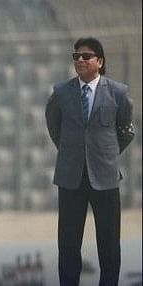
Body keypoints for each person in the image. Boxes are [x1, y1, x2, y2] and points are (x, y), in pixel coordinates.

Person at [45, 37, 134, 286]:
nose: (80, 60)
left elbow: (126, 131)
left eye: (86, 56)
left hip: (105, 178)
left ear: (100, 61)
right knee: (69, 244)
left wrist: (105, 154)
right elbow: (54, 127)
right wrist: (73, 151)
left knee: (109, 244)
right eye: (76, 57)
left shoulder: (118, 92)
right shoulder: (61, 93)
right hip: (70, 177)